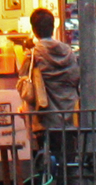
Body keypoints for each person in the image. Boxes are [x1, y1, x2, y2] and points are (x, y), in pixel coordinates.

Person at [27, 9, 81, 140]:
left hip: (45, 113)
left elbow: (26, 84)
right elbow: (76, 77)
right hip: (69, 110)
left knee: (46, 152)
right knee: (69, 153)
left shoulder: (33, 55)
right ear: (53, 27)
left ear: (34, 29)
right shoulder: (68, 51)